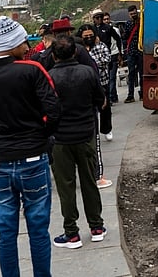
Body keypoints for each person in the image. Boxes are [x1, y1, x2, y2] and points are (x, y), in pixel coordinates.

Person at [0, 16, 61, 277]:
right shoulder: (33, 70)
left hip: (0, 162)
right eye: (24, 41)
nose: (26, 46)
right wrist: (40, 137)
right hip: (33, 159)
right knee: (38, 228)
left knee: (6, 231)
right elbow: (54, 111)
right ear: (16, 42)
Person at [48, 34, 107, 250]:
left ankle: (72, 234)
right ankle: (97, 227)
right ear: (75, 52)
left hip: (60, 140)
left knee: (66, 187)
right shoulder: (88, 72)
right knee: (90, 182)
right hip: (85, 135)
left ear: (54, 56)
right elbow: (101, 101)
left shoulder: (49, 77)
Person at [124, 4, 142, 103]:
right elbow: (126, 36)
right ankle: (130, 95)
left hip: (140, 49)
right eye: (131, 14)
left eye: (135, 13)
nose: (133, 15)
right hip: (131, 50)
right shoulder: (128, 23)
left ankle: (142, 93)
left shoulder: (142, 21)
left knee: (142, 72)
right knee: (131, 74)